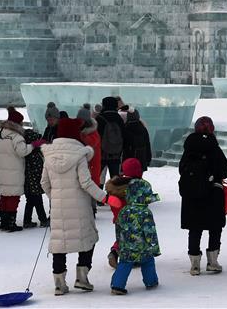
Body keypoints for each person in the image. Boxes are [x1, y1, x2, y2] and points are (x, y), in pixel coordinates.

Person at [41, 116, 108, 295]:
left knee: (59, 244)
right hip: (80, 207)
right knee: (88, 239)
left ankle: (59, 284)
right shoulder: (79, 155)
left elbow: (44, 183)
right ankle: (82, 278)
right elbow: (86, 183)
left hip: (58, 207)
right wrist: (105, 198)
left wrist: (54, 197)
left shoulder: (49, 154)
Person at [179, 116, 227, 276]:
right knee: (214, 227)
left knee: (195, 228)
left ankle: (195, 265)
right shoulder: (214, 148)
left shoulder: (189, 148)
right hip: (213, 192)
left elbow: (182, 170)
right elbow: (225, 171)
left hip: (191, 193)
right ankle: (213, 262)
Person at [110, 176, 161, 295]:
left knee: (124, 264)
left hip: (126, 246)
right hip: (143, 247)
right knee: (148, 262)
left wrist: (119, 243)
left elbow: (118, 227)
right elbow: (150, 231)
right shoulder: (145, 212)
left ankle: (117, 285)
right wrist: (154, 247)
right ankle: (151, 281)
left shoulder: (124, 210)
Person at [0, 107, 41, 232]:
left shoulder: (2, 134)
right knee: (13, 197)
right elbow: (22, 151)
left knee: (4, 196)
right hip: (14, 171)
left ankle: (4, 222)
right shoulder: (16, 137)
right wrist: (33, 145)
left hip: (3, 171)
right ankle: (11, 223)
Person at [104, 157, 146, 268]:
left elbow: (113, 203)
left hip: (119, 220)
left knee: (121, 238)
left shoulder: (116, 186)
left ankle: (114, 252)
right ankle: (134, 258)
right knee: (135, 238)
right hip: (134, 220)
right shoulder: (137, 188)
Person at [22, 126, 48, 228]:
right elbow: (38, 170)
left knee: (30, 202)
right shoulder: (35, 155)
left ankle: (27, 221)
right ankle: (43, 220)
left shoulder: (26, 153)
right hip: (35, 183)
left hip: (27, 183)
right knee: (38, 202)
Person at [98, 96, 125, 182]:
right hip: (116, 154)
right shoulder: (119, 119)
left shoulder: (100, 118)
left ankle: (99, 194)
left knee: (99, 178)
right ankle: (114, 194)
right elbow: (123, 136)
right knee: (115, 179)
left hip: (102, 154)